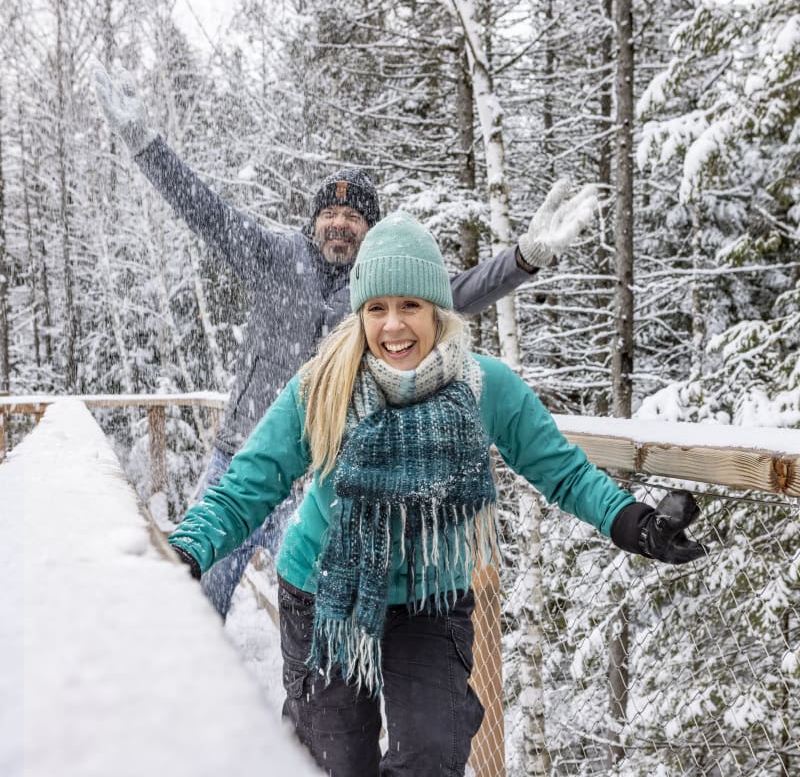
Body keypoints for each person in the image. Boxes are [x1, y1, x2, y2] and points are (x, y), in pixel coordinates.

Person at [167, 211, 707, 777]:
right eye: (376, 308)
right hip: (325, 587)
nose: (393, 326)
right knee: (334, 762)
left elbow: (562, 471)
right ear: (360, 314)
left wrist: (634, 522)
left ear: (436, 310)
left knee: (430, 754)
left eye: (409, 306)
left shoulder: (483, 387)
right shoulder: (324, 385)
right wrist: (187, 548)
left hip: (430, 594)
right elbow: (249, 484)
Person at [92, 61, 600, 619]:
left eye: (353, 216)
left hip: (315, 479)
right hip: (240, 463)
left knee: (312, 613)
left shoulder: (382, 293)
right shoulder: (272, 258)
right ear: (313, 222)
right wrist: (143, 142)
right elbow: (205, 210)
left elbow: (463, 290)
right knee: (193, 603)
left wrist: (524, 258)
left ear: (370, 228)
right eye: (329, 213)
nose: (339, 223)